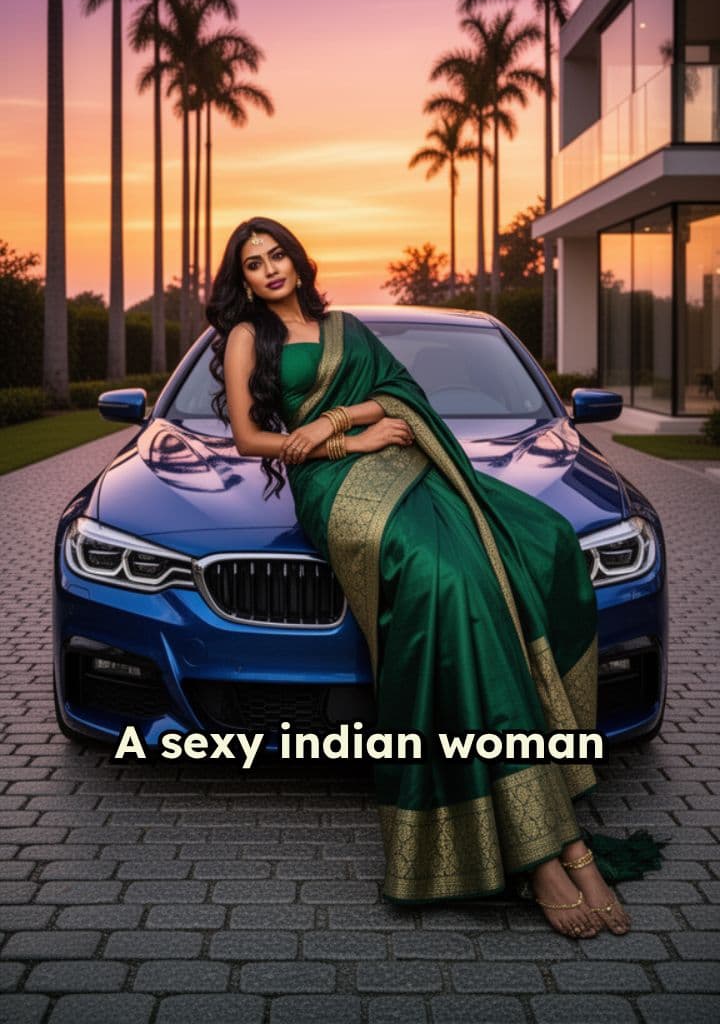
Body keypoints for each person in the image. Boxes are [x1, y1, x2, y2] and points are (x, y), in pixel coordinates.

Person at [207, 216, 661, 939]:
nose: (270, 269)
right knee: (445, 579)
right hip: (335, 490)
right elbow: (248, 438)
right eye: (254, 263)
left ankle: (560, 841)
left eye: (277, 254)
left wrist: (346, 415)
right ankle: (549, 854)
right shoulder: (245, 338)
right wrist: (337, 439)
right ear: (244, 280)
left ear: (297, 258)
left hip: (405, 463)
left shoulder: (345, 327)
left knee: (536, 541)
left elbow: (400, 393)